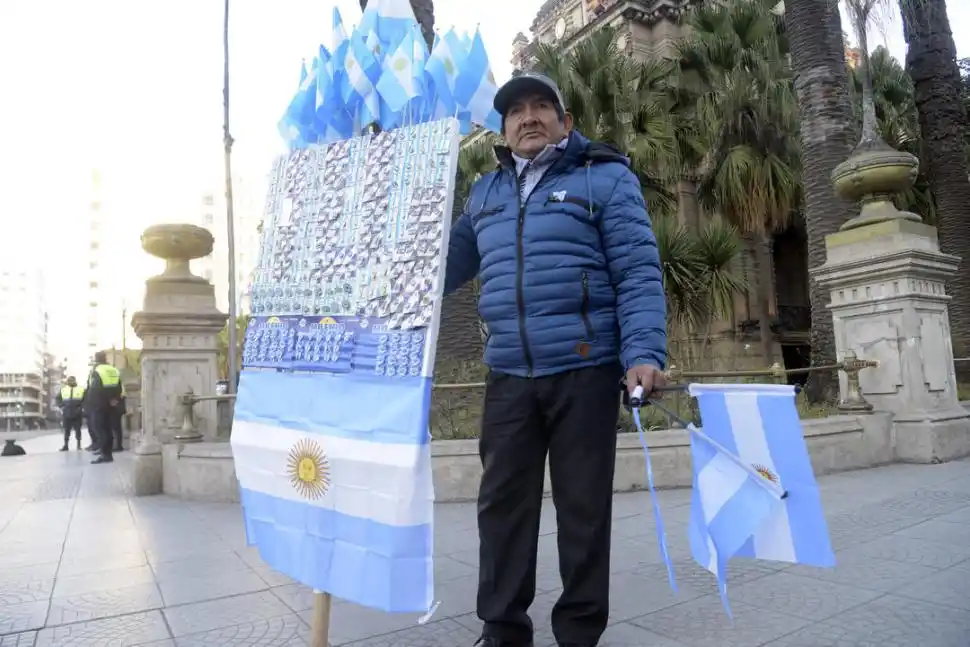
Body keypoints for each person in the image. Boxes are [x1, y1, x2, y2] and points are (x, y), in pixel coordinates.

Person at [443, 73, 667, 647]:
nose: (529, 117)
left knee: (583, 511)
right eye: (516, 111)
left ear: (566, 121)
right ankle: (502, 628)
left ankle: (579, 633)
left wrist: (642, 352)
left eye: (542, 105)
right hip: (510, 373)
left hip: (586, 369)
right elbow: (444, 266)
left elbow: (638, 270)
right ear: (503, 129)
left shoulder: (605, 177)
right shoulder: (486, 193)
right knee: (502, 508)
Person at [86, 351, 123, 464]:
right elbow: (119, 386)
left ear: (97, 359)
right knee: (108, 428)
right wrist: (114, 399)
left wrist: (90, 403)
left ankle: (103, 449)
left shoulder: (97, 371)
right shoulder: (113, 369)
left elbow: (95, 388)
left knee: (98, 427)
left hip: (99, 404)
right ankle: (107, 455)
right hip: (112, 404)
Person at [56, 376, 86, 451]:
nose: (70, 382)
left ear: (75, 381)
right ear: (67, 381)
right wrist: (61, 407)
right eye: (69, 380)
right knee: (66, 430)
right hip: (67, 413)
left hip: (77, 413)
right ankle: (66, 445)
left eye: (72, 380)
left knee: (78, 429)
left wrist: (81, 408)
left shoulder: (81, 389)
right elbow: (58, 398)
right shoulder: (63, 389)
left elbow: (85, 399)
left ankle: (79, 445)